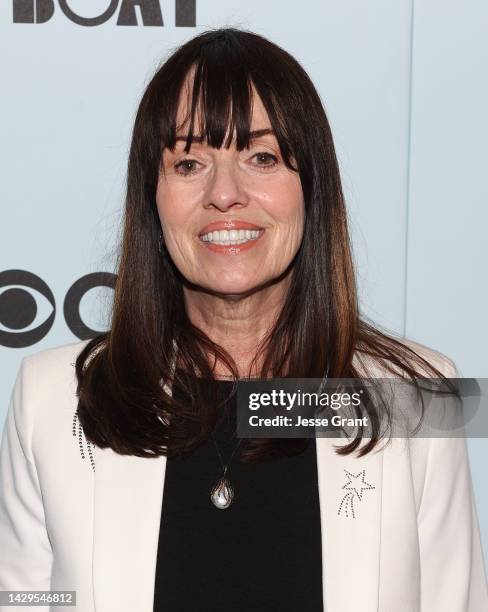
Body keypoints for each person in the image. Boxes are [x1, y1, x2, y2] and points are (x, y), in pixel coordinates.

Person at [0, 27, 487, 612]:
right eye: (188, 162)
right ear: (152, 196)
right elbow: (23, 600)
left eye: (261, 157)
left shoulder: (415, 397)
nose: (224, 193)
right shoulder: (53, 399)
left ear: (312, 187)